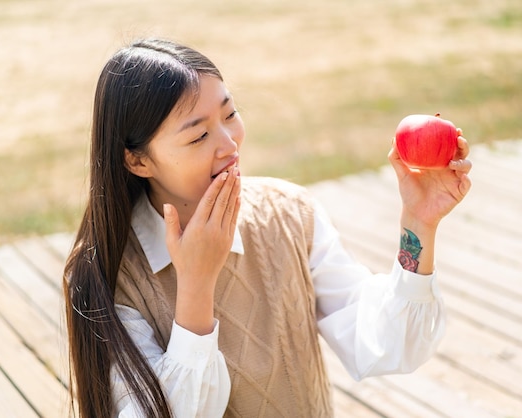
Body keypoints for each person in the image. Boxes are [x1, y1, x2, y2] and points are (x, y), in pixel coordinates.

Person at [63, 38, 472, 418]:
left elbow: (386, 345)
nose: (229, 144)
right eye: (199, 135)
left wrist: (418, 222)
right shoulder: (112, 274)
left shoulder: (290, 214)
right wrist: (196, 285)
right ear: (138, 161)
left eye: (230, 114)